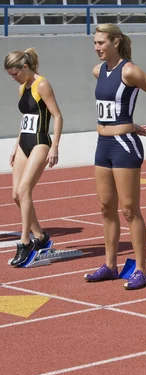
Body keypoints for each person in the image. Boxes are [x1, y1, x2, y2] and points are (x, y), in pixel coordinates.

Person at [83, 24, 146, 290]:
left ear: (115, 42)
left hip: (124, 146)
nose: (97, 48)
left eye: (101, 42)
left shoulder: (130, 71)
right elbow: (115, 108)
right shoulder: (97, 71)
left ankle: (140, 269)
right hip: (103, 144)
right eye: (94, 43)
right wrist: (130, 123)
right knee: (105, 208)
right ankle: (110, 265)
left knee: (129, 209)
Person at [4, 48, 63, 266]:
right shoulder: (23, 87)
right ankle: (41, 236)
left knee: (24, 190)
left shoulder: (42, 84)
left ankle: (25, 241)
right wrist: (15, 145)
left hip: (40, 142)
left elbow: (57, 115)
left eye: (14, 73)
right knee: (15, 196)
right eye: (10, 74)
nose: (13, 78)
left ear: (25, 67)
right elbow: (26, 118)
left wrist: (55, 146)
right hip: (24, 142)